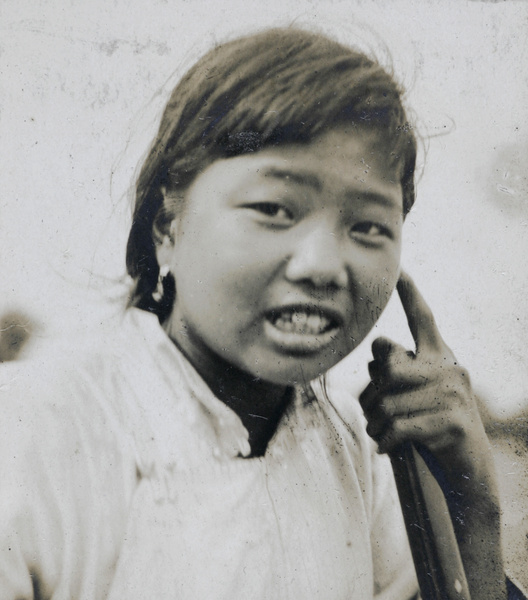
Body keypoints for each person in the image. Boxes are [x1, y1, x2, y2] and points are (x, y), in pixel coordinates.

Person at [0, 27, 523, 600]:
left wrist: (472, 504)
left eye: (368, 226)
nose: (323, 266)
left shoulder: (353, 453)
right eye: (274, 208)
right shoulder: (34, 432)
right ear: (166, 226)